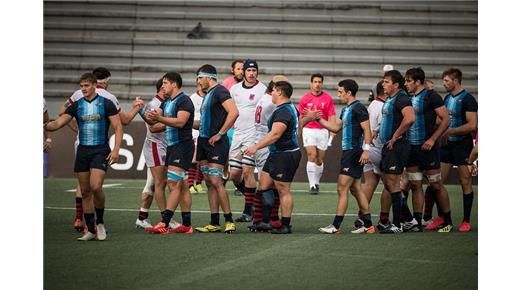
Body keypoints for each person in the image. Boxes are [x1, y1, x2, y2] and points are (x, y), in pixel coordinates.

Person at [59, 67, 142, 232]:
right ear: (106, 81)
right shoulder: (108, 97)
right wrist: (136, 108)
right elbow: (124, 121)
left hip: (80, 143)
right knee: (93, 186)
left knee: (83, 185)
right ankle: (94, 222)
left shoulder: (77, 94)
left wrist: (75, 128)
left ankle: (78, 219)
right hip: (97, 145)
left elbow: (62, 112)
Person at [45, 73, 123, 241]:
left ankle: (100, 223)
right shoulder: (77, 105)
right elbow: (58, 123)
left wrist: (115, 150)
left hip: (100, 150)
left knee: (95, 187)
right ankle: (91, 229)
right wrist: (44, 125)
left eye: (86, 86)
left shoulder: (106, 103)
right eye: (81, 86)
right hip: (83, 151)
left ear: (95, 85)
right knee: (85, 191)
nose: (83, 89)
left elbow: (118, 127)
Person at [306, 79, 375, 234]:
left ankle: (336, 226)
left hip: (354, 152)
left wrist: (366, 150)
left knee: (341, 187)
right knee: (356, 189)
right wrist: (318, 119)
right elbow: (336, 127)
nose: (338, 95)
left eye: (340, 92)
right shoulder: (346, 109)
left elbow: (367, 130)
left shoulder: (358, 108)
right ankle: (369, 225)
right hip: (348, 152)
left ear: (349, 92)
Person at [244, 81, 301, 234]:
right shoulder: (286, 108)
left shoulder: (283, 111)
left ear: (280, 92)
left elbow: (275, 134)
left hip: (285, 154)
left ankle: (285, 224)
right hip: (276, 153)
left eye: (274, 91)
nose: (272, 93)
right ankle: (268, 220)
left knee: (283, 189)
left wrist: (255, 146)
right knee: (264, 186)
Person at [145, 72, 195, 234]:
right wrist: (145, 112)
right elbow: (154, 119)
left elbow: (180, 122)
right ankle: (187, 225)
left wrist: (159, 119)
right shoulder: (167, 101)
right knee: (183, 186)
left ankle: (164, 223)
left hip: (182, 146)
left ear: (174, 84)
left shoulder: (184, 101)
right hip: (173, 146)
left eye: (165, 83)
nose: (163, 86)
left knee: (173, 184)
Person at [403, 67, 452, 232]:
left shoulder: (432, 96)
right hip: (411, 148)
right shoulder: (407, 97)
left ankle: (448, 221)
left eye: (408, 81)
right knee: (416, 185)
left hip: (428, 148)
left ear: (417, 82)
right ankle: (417, 222)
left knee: (436, 185)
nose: (406, 84)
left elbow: (446, 120)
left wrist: (432, 139)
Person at [193, 64, 239, 234]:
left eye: (200, 78)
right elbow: (205, 122)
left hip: (216, 143)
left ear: (209, 77)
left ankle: (229, 220)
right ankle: (214, 222)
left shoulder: (220, 91)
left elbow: (234, 112)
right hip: (205, 142)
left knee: (216, 181)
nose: (198, 81)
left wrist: (220, 133)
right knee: (209, 182)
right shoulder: (208, 95)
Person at [134, 78, 180, 230]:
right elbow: (153, 128)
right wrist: (174, 124)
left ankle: (142, 217)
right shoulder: (154, 104)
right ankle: (166, 219)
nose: (168, 88)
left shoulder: (166, 103)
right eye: (165, 85)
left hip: (164, 146)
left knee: (153, 183)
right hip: (155, 146)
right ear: (161, 89)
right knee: (160, 183)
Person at [247, 75, 289, 232]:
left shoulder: (263, 98)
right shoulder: (273, 103)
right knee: (270, 185)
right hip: (266, 144)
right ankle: (268, 219)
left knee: (266, 184)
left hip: (260, 142)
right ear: (275, 89)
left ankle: (261, 219)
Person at [438, 68, 477, 232]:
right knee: (437, 181)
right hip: (447, 145)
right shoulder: (447, 98)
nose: (444, 83)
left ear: (456, 80)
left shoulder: (468, 99)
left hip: (462, 145)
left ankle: (466, 220)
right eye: (444, 80)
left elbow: (472, 125)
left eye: (447, 81)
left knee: (465, 182)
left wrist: (450, 131)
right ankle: (442, 218)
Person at [228, 59, 267, 222]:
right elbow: (230, 110)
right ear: (243, 72)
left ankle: (247, 211)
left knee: (247, 171)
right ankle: (253, 202)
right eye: (249, 71)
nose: (251, 73)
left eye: (254, 71)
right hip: (237, 134)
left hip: (253, 135)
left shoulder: (262, 89)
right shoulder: (234, 89)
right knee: (234, 174)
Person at [377, 70, 415, 234]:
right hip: (388, 145)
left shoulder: (402, 98)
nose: (383, 84)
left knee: (393, 184)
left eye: (386, 81)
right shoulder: (391, 99)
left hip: (397, 146)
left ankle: (397, 224)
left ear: (396, 84)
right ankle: (410, 220)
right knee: (388, 183)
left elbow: (410, 118)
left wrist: (395, 136)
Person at [358, 81, 392, 230]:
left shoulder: (372, 105)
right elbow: (383, 128)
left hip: (367, 148)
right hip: (379, 148)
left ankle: (362, 217)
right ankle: (384, 219)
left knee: (370, 183)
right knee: (392, 185)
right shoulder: (384, 106)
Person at [298, 73, 335, 194]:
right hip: (309, 130)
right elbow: (300, 117)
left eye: (319, 82)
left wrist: (333, 129)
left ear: (322, 84)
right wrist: (299, 129)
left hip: (323, 130)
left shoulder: (328, 99)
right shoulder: (304, 99)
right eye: (315, 82)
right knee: (311, 155)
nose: (317, 84)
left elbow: (332, 115)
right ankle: (312, 185)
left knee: (319, 160)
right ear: (311, 83)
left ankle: (317, 182)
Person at [188, 83, 205, 194]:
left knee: (204, 158)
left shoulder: (210, 97)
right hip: (194, 131)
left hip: (206, 131)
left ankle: (198, 183)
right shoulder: (192, 98)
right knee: (194, 158)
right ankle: (190, 185)